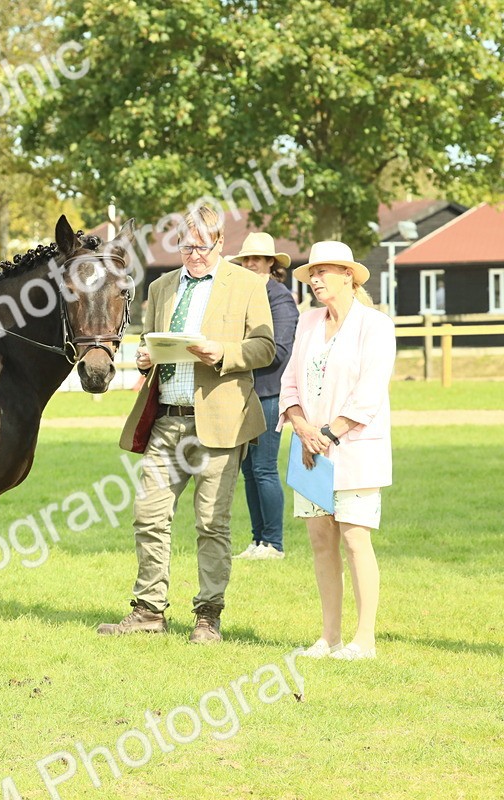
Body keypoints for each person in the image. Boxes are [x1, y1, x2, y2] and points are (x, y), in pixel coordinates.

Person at [99, 205, 274, 644]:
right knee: (148, 515)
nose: (192, 254)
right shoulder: (161, 287)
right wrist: (144, 355)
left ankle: (207, 616)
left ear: (220, 245)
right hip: (167, 420)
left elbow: (266, 347)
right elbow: (152, 342)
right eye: (185, 246)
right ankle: (148, 611)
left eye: (201, 246)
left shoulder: (248, 285)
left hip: (220, 420)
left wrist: (223, 353)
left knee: (212, 523)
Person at [278, 241, 393, 661]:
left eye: (325, 271)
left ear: (349, 276)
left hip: (354, 449)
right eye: (312, 273)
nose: (316, 279)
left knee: (355, 539)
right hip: (309, 450)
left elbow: (369, 393)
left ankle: (365, 639)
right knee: (320, 542)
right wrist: (303, 427)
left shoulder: (375, 325)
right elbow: (289, 382)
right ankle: (329, 637)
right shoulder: (307, 322)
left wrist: (327, 434)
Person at [230, 233, 300, 560]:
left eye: (257, 259)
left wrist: (233, 354)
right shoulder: (241, 296)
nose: (250, 264)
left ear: (272, 263)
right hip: (243, 393)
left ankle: (274, 543)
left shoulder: (280, 299)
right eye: (246, 259)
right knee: (248, 470)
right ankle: (258, 540)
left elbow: (280, 351)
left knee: (264, 469)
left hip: (270, 394)